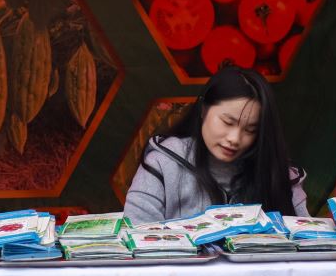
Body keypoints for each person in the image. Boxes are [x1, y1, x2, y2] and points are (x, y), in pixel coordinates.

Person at [123, 65, 307, 223]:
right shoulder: (162, 164)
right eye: (227, 122)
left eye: (250, 130)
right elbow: (138, 236)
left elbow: (307, 239)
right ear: (203, 109)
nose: (235, 138)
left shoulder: (278, 173)